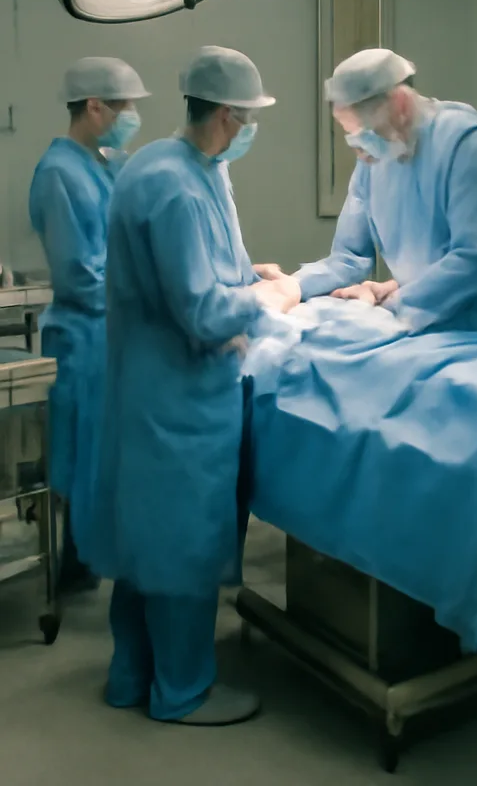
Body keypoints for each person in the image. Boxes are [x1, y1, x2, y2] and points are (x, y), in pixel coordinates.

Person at [82, 46, 301, 726]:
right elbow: (203, 312)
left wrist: (249, 274)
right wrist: (266, 302)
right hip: (180, 400)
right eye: (249, 118)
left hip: (147, 390)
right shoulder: (177, 187)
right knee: (181, 542)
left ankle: (130, 676)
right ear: (229, 115)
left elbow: (200, 266)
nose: (249, 130)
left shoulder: (166, 165)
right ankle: (182, 691)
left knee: (143, 540)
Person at [283, 48, 477, 336]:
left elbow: (476, 262)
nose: (361, 152)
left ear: (401, 104)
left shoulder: (469, 145)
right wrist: (292, 286)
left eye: (366, 134)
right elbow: (349, 255)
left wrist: (394, 305)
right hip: (417, 331)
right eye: (352, 138)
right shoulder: (376, 159)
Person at [28, 57, 150, 593]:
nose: (132, 117)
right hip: (82, 335)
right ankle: (75, 561)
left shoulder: (104, 165)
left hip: (111, 333)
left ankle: (95, 549)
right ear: (95, 106)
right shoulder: (59, 172)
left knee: (106, 452)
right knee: (81, 452)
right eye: (126, 107)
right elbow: (78, 275)